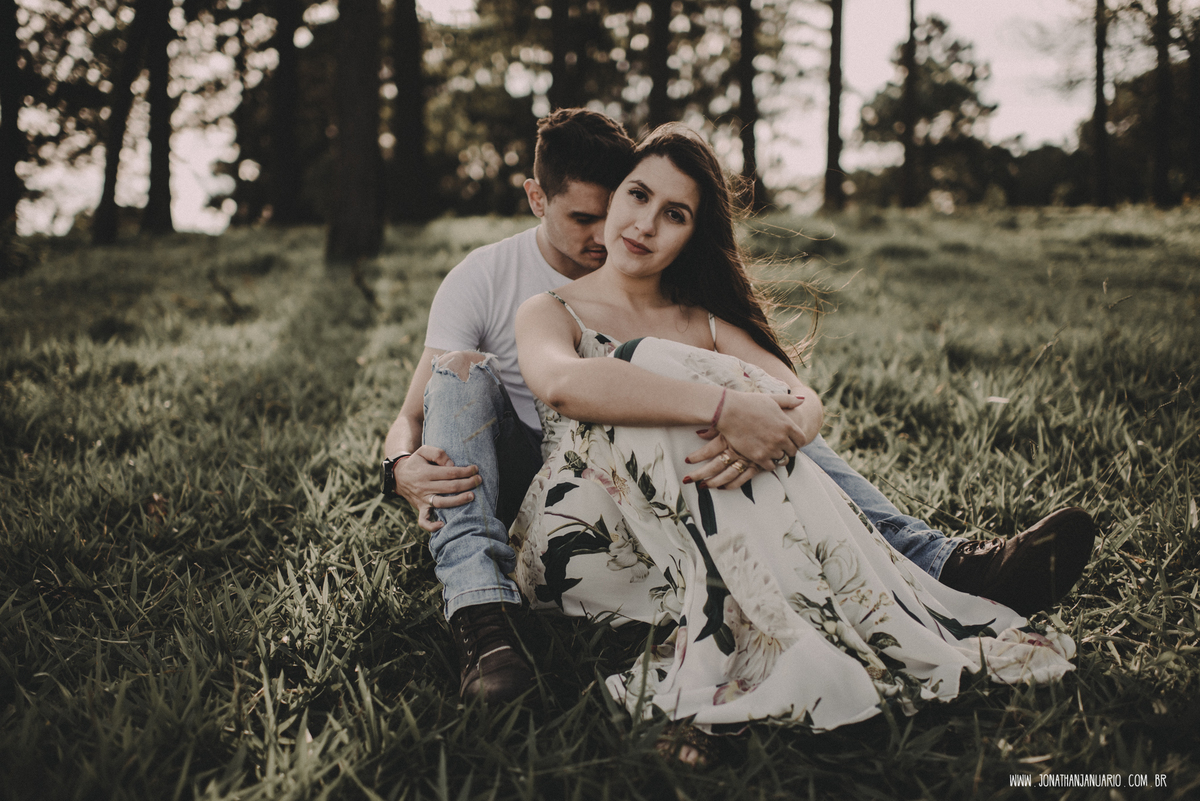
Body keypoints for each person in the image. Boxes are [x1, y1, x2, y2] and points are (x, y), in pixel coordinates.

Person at [381, 109, 1095, 707]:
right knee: (527, 368)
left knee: (744, 402)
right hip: (550, 488)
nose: (619, 231)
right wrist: (399, 464)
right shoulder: (521, 294)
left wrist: (776, 422)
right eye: (622, 204)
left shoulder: (696, 314)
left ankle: (940, 567)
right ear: (537, 198)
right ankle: (484, 617)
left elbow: (795, 398)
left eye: (671, 212)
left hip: (665, 498)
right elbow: (536, 387)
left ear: (693, 231)